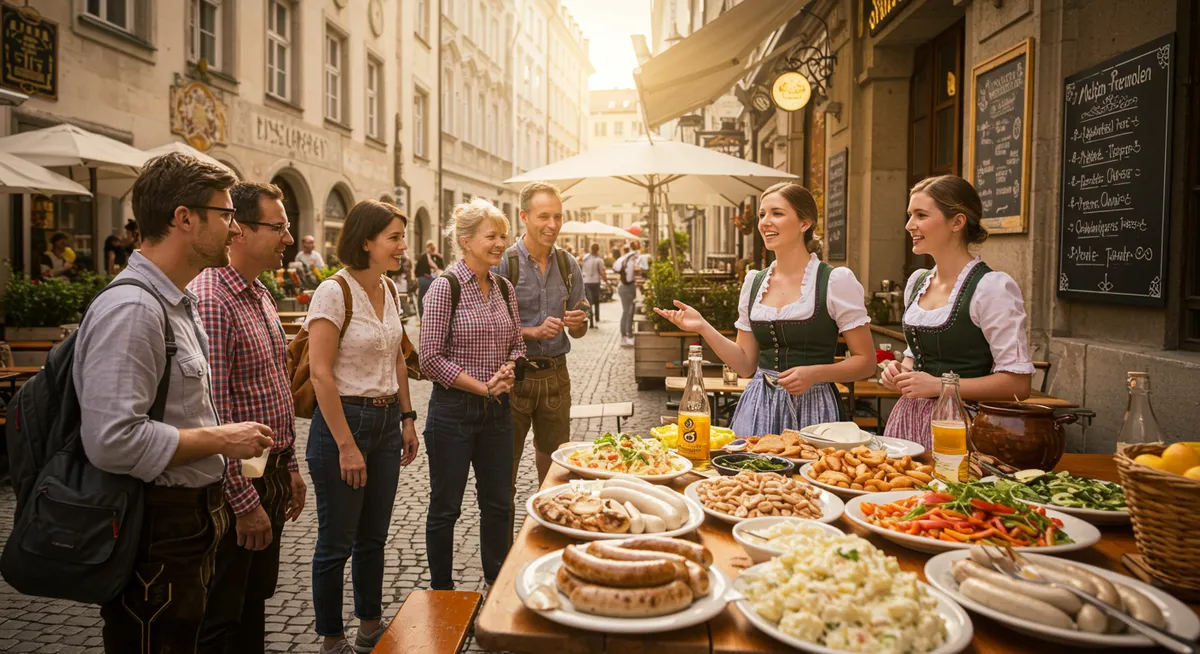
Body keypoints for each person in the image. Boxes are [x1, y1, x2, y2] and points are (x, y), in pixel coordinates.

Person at [73, 152, 274, 653]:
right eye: (226, 215)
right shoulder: (134, 308)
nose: (235, 230)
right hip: (154, 530)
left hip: (186, 525)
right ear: (184, 218)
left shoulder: (175, 302)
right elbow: (112, 440)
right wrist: (224, 439)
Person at [655, 183, 877, 436]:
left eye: (777, 213)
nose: (765, 222)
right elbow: (745, 365)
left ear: (805, 223)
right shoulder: (754, 282)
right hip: (758, 405)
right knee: (754, 476)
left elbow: (866, 363)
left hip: (814, 408)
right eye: (762, 215)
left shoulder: (835, 280)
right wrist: (703, 327)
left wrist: (815, 373)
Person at [190, 182, 307, 654]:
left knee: (254, 596)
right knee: (223, 610)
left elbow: (276, 387)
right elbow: (214, 411)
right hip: (238, 481)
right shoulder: (213, 299)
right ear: (238, 229)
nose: (289, 239)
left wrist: (290, 466)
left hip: (268, 469)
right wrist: (243, 500)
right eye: (278, 227)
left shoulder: (257, 292)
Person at [303, 200, 420, 654]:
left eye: (402, 236)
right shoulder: (334, 292)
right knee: (337, 541)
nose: (401, 245)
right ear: (366, 241)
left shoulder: (389, 289)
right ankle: (332, 640)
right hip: (344, 422)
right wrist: (346, 446)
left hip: (387, 420)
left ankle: (370, 628)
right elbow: (320, 374)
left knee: (373, 536)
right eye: (393, 237)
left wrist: (407, 418)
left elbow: (396, 357)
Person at [881, 175, 1033, 449]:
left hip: (962, 424)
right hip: (907, 420)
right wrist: (900, 374)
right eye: (910, 215)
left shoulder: (992, 288)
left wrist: (941, 386)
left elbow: (1018, 384)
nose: (909, 225)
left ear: (957, 222)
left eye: (921, 215)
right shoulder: (917, 282)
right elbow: (916, 359)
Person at [419, 198, 524, 592]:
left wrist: (510, 367)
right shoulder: (444, 288)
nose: (501, 243)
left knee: (498, 504)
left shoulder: (503, 287)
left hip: (498, 412)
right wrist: (482, 385)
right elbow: (429, 359)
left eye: (503, 236)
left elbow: (517, 343)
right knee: (446, 508)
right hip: (454, 412)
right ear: (466, 241)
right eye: (492, 236)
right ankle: (442, 591)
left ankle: (497, 585)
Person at [494, 182, 587, 541]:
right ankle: (504, 548)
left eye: (558, 216)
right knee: (507, 468)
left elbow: (577, 327)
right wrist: (531, 332)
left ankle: (546, 535)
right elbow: (490, 328)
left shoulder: (568, 263)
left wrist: (579, 324)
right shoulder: (505, 262)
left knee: (553, 466)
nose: (552, 224)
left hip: (555, 377)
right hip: (514, 376)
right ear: (524, 217)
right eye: (543, 216)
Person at [613, 240, 645, 347]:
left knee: (627, 311)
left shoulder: (626, 257)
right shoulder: (633, 258)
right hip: (628, 287)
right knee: (628, 311)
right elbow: (630, 276)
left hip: (623, 286)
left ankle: (625, 335)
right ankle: (626, 335)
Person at [414, 240, 444, 318]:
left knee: (426, 300)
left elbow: (440, 268)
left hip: (431, 279)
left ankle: (425, 317)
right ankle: (423, 317)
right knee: (424, 299)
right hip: (425, 279)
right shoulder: (425, 256)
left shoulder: (436, 257)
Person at [581, 243, 607, 327]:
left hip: (586, 282)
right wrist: (607, 282)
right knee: (596, 301)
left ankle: (591, 321)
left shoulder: (585, 257)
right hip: (595, 282)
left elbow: (580, 265)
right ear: (598, 249)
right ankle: (596, 319)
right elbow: (602, 272)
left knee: (589, 302)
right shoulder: (599, 260)